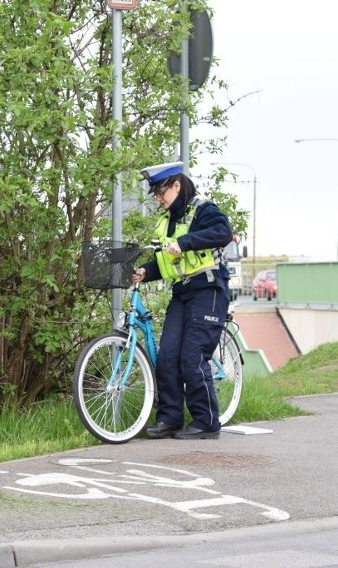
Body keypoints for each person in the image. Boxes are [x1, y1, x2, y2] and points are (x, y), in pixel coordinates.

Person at [131, 161, 234, 440]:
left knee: (192, 356)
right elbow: (167, 260)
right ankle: (170, 418)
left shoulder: (203, 209)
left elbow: (223, 233)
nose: (158, 199)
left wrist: (187, 242)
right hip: (183, 291)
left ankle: (207, 422)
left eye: (160, 192)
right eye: (155, 194)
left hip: (209, 289)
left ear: (176, 185)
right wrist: (145, 271)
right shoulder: (166, 222)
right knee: (167, 356)